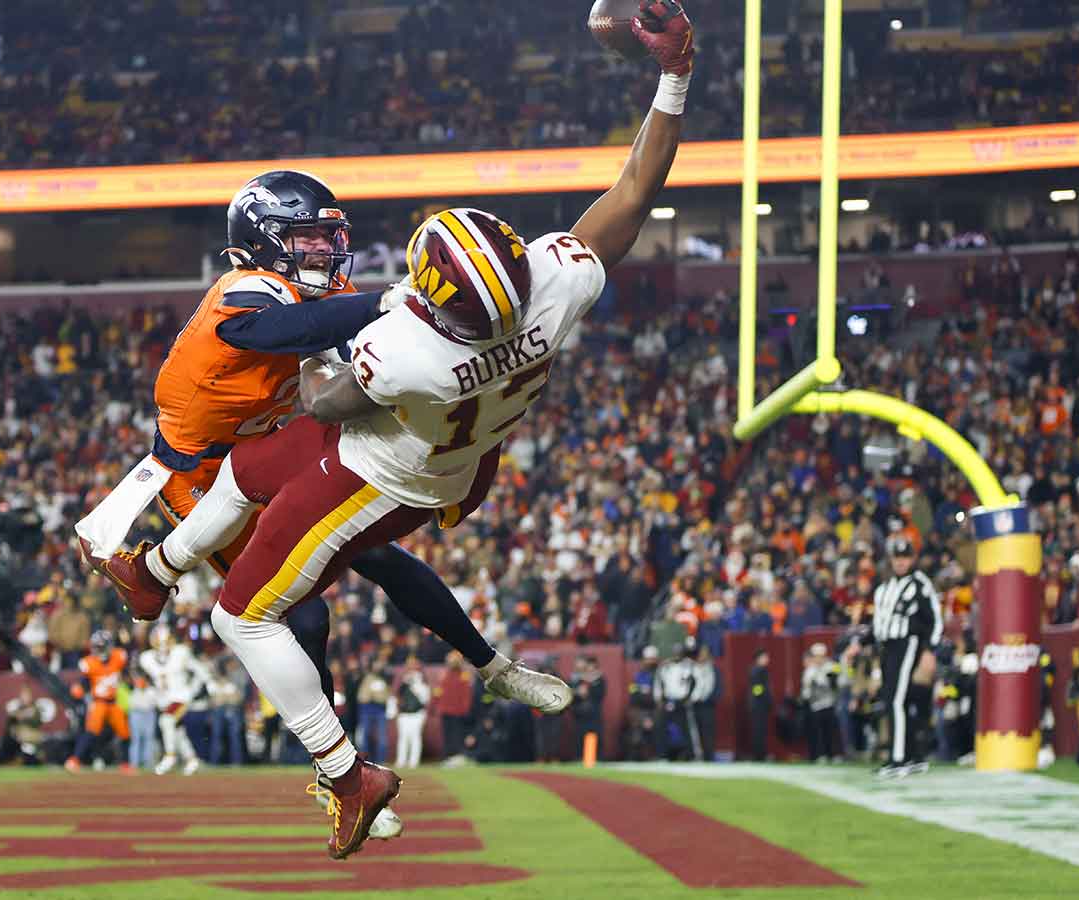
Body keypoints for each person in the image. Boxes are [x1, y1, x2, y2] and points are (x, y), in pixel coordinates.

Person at [104, 0, 695, 858]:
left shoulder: (406, 348)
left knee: (243, 618)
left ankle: (347, 774)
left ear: (434, 305)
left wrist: (321, 348)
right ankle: (155, 570)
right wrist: (675, 77)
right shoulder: (555, 286)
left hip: (386, 476)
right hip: (453, 442)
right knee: (248, 468)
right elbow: (636, 190)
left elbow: (322, 399)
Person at [74, 169, 567, 716]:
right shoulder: (242, 291)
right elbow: (279, 330)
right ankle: (338, 768)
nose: (323, 249)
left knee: (382, 556)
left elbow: (362, 347)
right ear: (264, 240)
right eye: (306, 237)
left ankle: (493, 667)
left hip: (268, 445)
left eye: (327, 236)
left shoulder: (327, 292)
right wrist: (384, 303)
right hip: (202, 472)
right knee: (300, 611)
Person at [871, 536, 942, 778]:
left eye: (904, 557)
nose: (900, 562)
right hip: (887, 646)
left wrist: (930, 650)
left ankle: (898, 758)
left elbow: (934, 618)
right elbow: (879, 623)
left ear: (912, 559)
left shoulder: (919, 584)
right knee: (896, 700)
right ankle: (913, 756)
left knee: (896, 701)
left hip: (907, 643)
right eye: (897, 557)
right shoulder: (885, 587)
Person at [138, 627, 208, 776]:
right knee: (177, 731)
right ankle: (191, 759)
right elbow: (146, 680)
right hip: (165, 701)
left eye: (166, 641)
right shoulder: (146, 658)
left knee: (166, 721)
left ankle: (170, 756)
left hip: (181, 697)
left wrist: (194, 689)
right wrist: (152, 693)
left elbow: (201, 670)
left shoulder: (180, 653)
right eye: (159, 642)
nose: (163, 645)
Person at [67, 630, 129, 771]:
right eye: (98, 646)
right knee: (91, 732)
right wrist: (79, 689)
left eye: (102, 646)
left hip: (114, 702)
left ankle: (125, 764)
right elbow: (84, 682)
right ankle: (75, 760)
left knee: (124, 733)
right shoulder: (89, 662)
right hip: (99, 702)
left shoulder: (118, 656)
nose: (100, 650)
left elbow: (126, 673)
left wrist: (132, 680)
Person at [800, 643, 840, 762]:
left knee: (831, 732)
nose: (819, 658)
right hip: (815, 705)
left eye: (821, 655)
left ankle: (832, 754)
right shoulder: (810, 670)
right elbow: (806, 690)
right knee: (818, 733)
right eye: (816, 656)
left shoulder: (831, 667)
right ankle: (819, 754)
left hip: (829, 703)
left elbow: (840, 682)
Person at [393, 658, 430, 769]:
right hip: (404, 713)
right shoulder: (403, 680)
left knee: (415, 737)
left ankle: (414, 761)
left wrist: (416, 683)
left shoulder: (422, 682)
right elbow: (397, 696)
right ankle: (401, 760)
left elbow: (424, 698)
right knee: (403, 738)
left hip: (417, 713)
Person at [747, 649, 772, 761]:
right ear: (759, 658)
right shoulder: (758, 670)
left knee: (760, 731)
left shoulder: (758, 670)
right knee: (759, 731)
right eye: (765, 657)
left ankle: (760, 754)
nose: (767, 659)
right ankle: (759, 755)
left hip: (758, 704)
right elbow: (757, 688)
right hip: (758, 705)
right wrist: (762, 698)